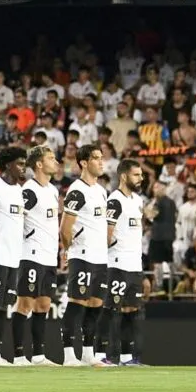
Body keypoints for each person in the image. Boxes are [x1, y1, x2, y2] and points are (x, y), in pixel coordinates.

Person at [61, 143, 110, 367]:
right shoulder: (77, 190)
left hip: (100, 257)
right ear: (84, 162)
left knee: (95, 304)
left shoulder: (101, 191)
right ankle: (69, 354)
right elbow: (65, 228)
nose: (101, 162)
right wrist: (69, 249)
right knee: (77, 302)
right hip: (82, 255)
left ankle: (89, 353)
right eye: (96, 158)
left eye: (101, 158)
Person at [18, 145, 62, 366]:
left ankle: (38, 355)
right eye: (51, 158)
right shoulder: (29, 190)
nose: (56, 162)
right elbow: (17, 218)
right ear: (39, 164)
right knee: (25, 303)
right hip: (32, 253)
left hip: (49, 255)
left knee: (44, 304)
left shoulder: (53, 190)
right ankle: (18, 355)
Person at [0, 146, 28, 366]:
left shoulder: (20, 191)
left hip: (13, 258)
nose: (23, 168)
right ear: (8, 165)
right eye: (20, 163)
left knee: (4, 307)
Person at [104, 159, 147, 367]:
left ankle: (128, 358)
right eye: (136, 175)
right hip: (117, 264)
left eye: (141, 174)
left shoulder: (138, 200)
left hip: (135, 265)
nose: (141, 178)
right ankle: (107, 356)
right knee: (113, 310)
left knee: (132, 311)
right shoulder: (115, 200)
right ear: (123, 176)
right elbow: (106, 233)